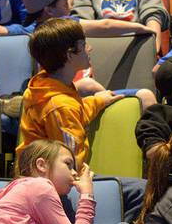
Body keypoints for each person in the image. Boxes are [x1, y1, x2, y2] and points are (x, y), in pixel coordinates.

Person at [16, 17, 150, 159]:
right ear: (69, 55)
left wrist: (96, 101)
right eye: (84, 44)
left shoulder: (43, 87)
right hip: (59, 177)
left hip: (43, 175)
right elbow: (70, 162)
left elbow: (74, 112)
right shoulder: (59, 106)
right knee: (139, 183)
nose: (90, 48)